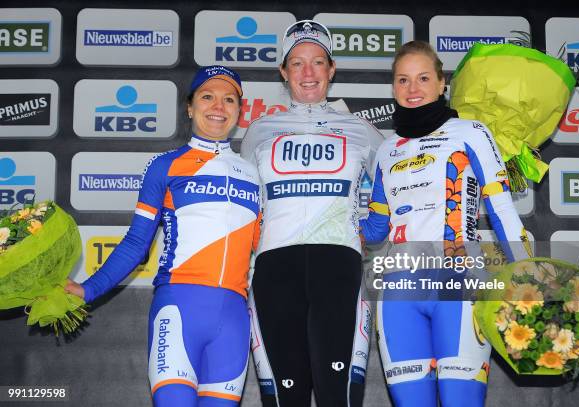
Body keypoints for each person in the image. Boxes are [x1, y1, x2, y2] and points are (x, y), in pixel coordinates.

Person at [65, 66, 262, 407]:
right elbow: (136, 244)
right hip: (178, 309)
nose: (219, 106)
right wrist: (87, 290)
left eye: (229, 99)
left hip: (233, 319)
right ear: (189, 107)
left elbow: (270, 248)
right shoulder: (165, 166)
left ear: (240, 111)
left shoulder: (255, 173)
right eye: (207, 96)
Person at [360, 41, 531, 407]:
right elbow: (374, 230)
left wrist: (526, 276)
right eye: (403, 80)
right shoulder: (387, 150)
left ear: (442, 84)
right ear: (393, 88)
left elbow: (500, 210)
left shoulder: (470, 132)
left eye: (423, 78)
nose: (413, 88)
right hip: (399, 293)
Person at [240, 20, 384, 407]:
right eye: (298, 63)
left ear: (331, 69)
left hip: (338, 269)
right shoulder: (259, 131)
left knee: (339, 398)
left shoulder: (360, 130)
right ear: (284, 73)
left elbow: (399, 181)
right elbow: (242, 208)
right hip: (273, 272)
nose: (308, 73)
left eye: (318, 62)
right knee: (286, 400)